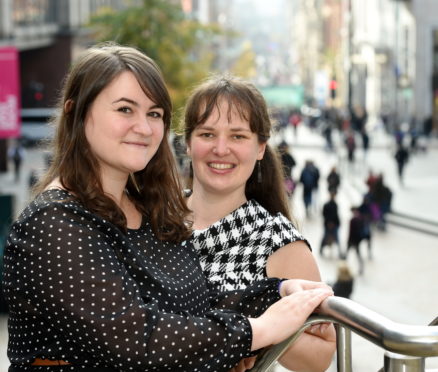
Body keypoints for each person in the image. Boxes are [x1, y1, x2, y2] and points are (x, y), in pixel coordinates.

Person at [1, 44, 334, 372]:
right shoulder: (55, 222)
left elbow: (194, 301)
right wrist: (255, 332)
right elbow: (134, 338)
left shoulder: (147, 211)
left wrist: (275, 292)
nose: (144, 128)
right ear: (76, 113)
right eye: (125, 109)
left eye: (154, 114)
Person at [182, 75, 336, 372]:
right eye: (207, 134)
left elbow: (320, 357)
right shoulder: (155, 218)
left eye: (238, 136)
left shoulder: (278, 240)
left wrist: (259, 335)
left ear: (261, 148)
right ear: (188, 143)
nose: (221, 148)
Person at [320, 192, 342, 258]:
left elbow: (336, 215)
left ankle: (340, 252)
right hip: (328, 224)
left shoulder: (335, 205)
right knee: (325, 237)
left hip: (334, 224)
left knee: (337, 238)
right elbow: (325, 214)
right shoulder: (326, 205)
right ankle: (321, 249)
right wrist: (329, 222)